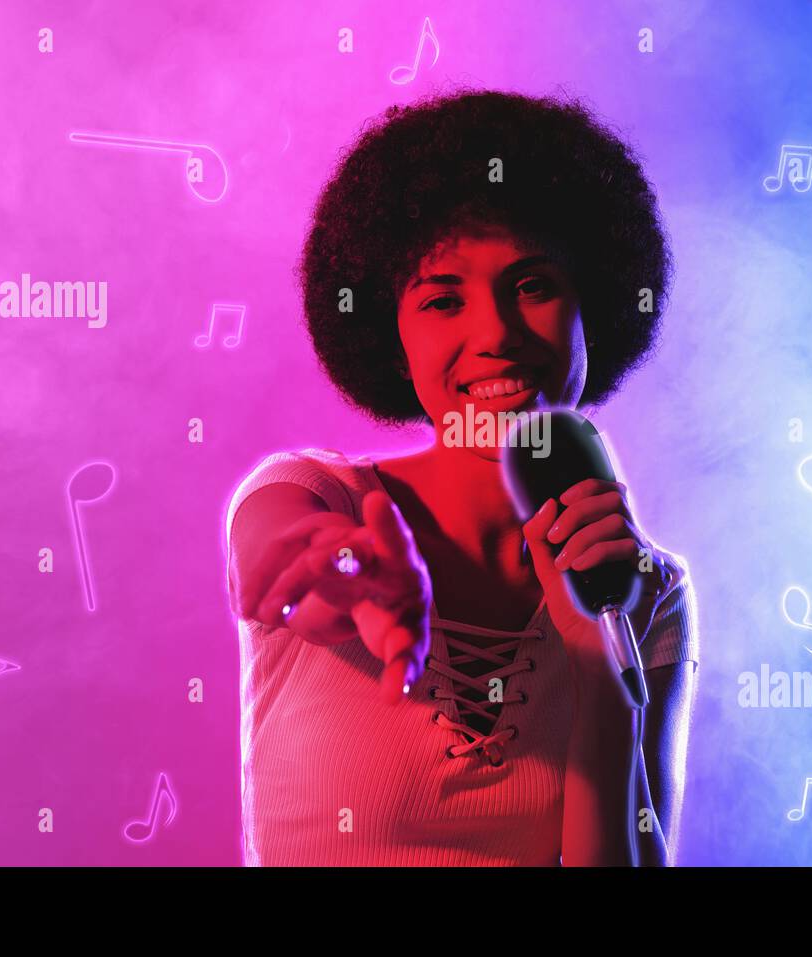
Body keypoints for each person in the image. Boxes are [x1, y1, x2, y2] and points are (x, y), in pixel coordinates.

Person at [225, 89, 698, 866]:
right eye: (444, 299)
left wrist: (596, 658)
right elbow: (277, 554)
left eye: (534, 286)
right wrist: (346, 569)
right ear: (392, 334)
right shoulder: (316, 492)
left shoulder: (648, 594)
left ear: (593, 306)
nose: (496, 335)